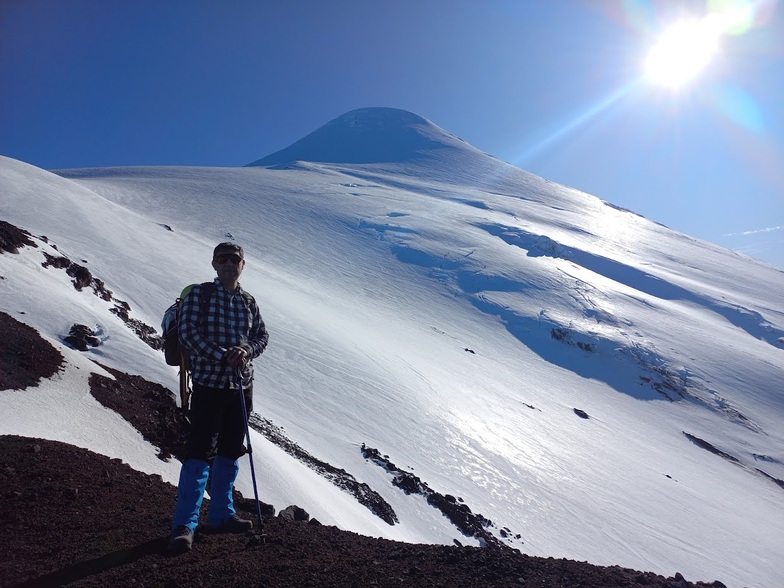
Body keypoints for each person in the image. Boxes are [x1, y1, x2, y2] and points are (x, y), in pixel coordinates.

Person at [168, 242, 269, 553]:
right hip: (210, 385)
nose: (228, 264)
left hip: (239, 386)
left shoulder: (248, 302)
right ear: (214, 264)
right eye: (222, 259)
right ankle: (185, 524)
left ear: (242, 265)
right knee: (200, 452)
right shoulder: (200, 294)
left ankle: (222, 514)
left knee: (229, 451)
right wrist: (223, 356)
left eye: (234, 259)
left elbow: (262, 336)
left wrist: (246, 351)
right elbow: (188, 334)